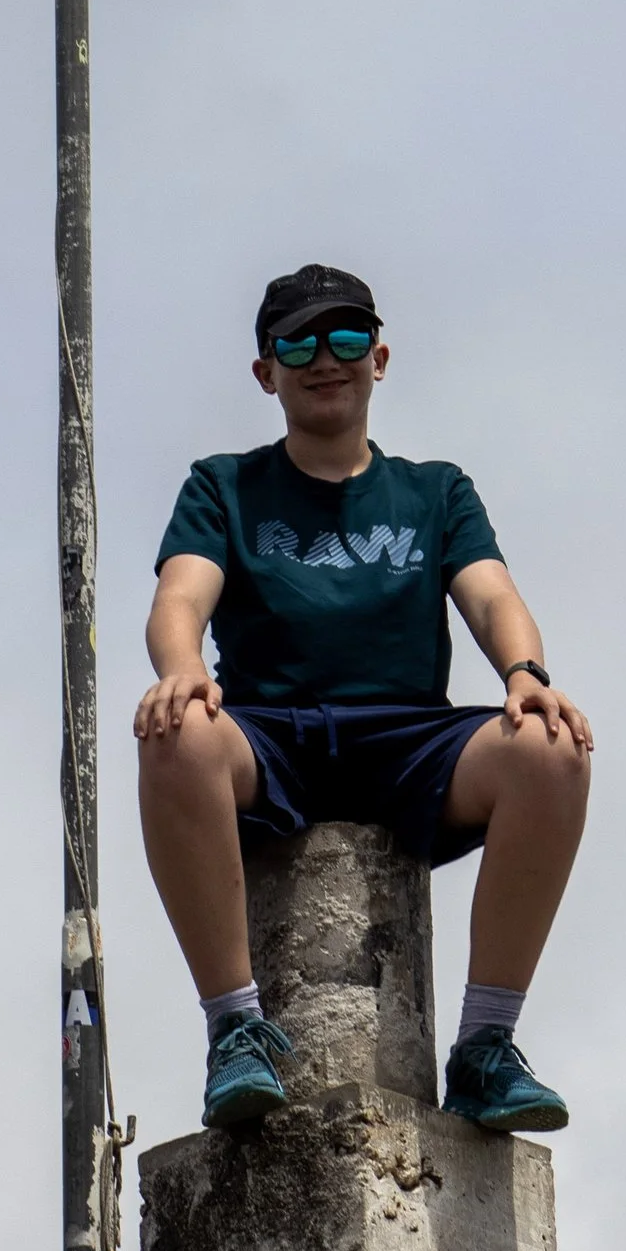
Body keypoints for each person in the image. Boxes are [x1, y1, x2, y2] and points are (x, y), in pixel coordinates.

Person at [138, 263, 592, 1138]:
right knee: (177, 732)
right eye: (298, 342)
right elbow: (180, 596)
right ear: (267, 370)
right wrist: (181, 665)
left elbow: (492, 595)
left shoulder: (435, 492)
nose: (325, 359)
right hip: (268, 736)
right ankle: (236, 1029)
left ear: (379, 358)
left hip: (409, 740)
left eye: (346, 338)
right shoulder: (224, 485)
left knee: (550, 746)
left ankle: (487, 1048)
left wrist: (526, 674)